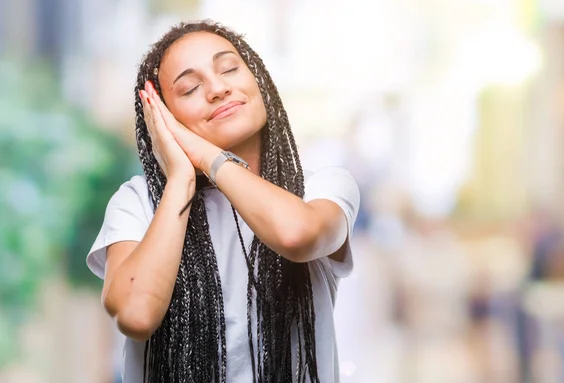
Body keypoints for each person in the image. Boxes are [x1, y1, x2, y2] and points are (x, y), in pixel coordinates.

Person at [86, 20, 360, 383]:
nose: (217, 89)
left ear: (258, 79)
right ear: (164, 119)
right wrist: (180, 181)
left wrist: (209, 158)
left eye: (229, 68)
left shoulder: (320, 187)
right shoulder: (138, 203)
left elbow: (297, 235)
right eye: (190, 88)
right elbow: (136, 314)